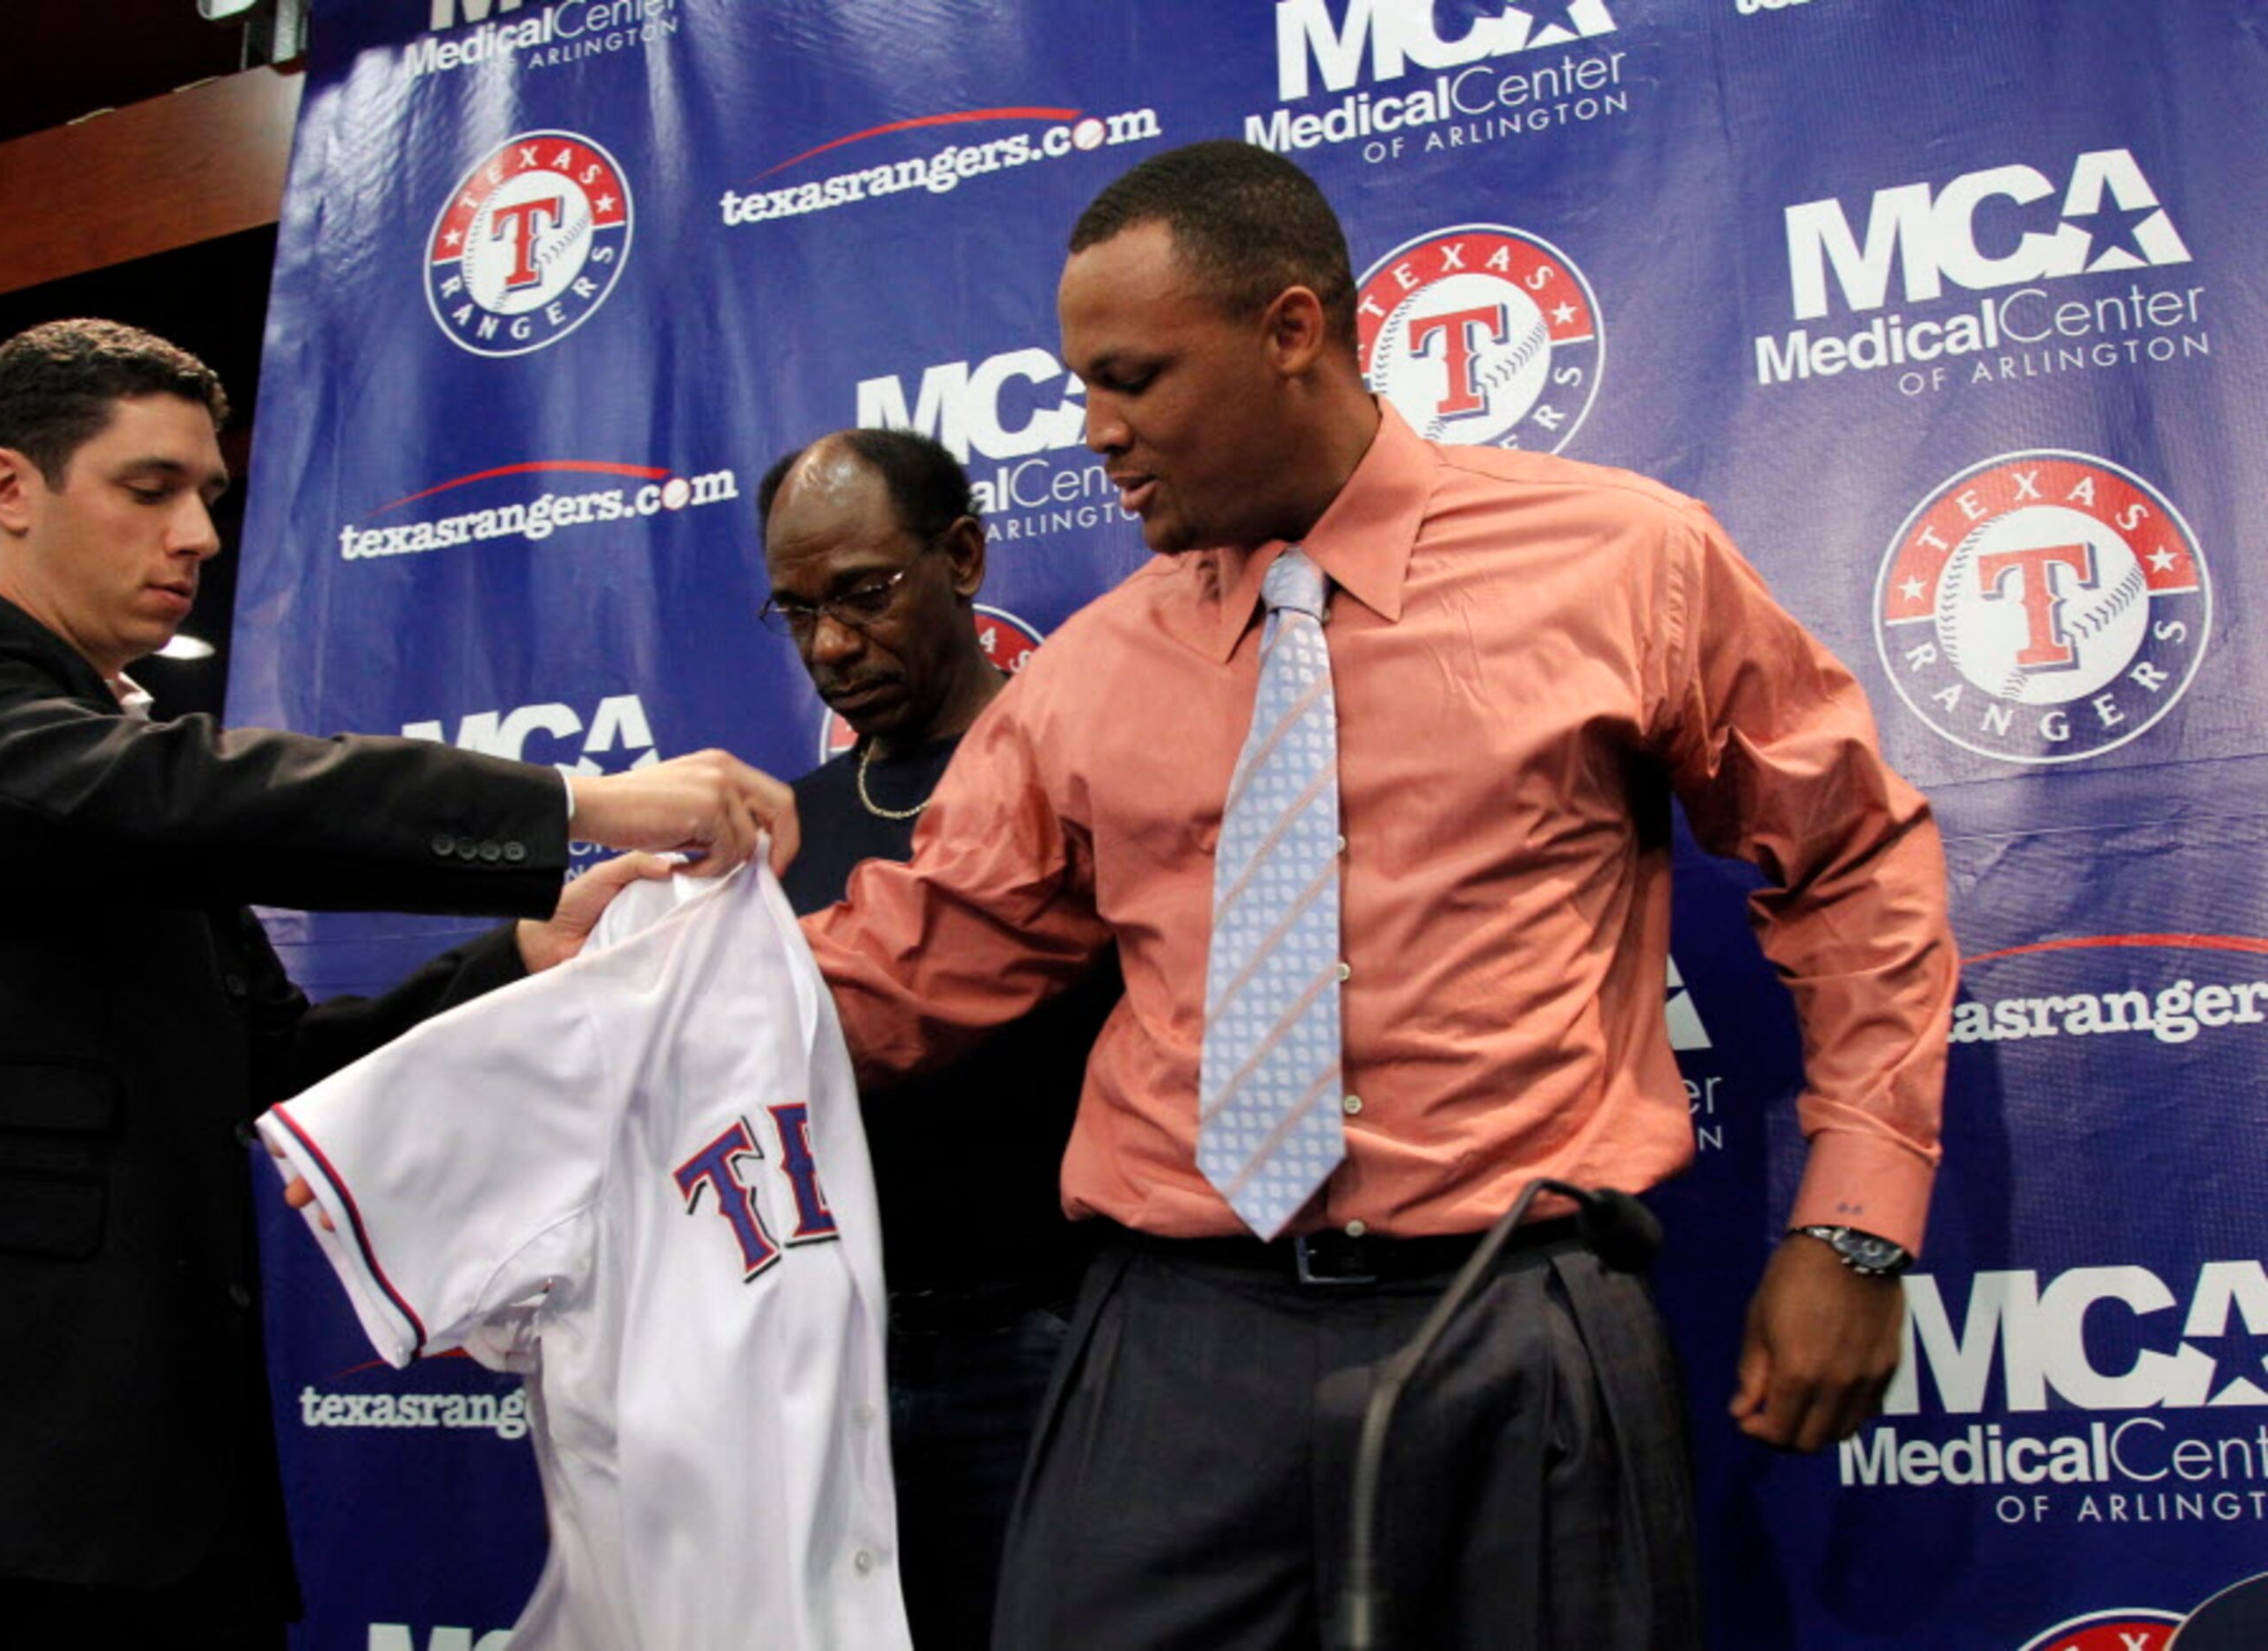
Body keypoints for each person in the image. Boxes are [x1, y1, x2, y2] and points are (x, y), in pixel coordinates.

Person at [798, 142, 1957, 1647]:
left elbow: (1852, 859)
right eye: (1081, 382)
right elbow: (913, 961)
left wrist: (1854, 1229)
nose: (1093, 429)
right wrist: (597, 999)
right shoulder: (1083, 672)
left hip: (1512, 1324)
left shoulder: (1624, 564)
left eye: (1132, 376)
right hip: (1171, 1345)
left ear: (1292, 332)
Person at [0, 319, 794, 1650]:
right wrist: (574, 798)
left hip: (161, 1498)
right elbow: (185, 794)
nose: (198, 536)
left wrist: (516, 956)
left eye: (210, 498)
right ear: (8, 487)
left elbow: (268, 1057)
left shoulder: (116, 764)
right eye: (149, 488)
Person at [758, 428, 1116, 1650]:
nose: (829, 646)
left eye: (863, 594)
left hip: (1059, 1335)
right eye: (796, 610)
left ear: (960, 555)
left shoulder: (1091, 775)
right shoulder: (782, 831)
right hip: (824, 1363)